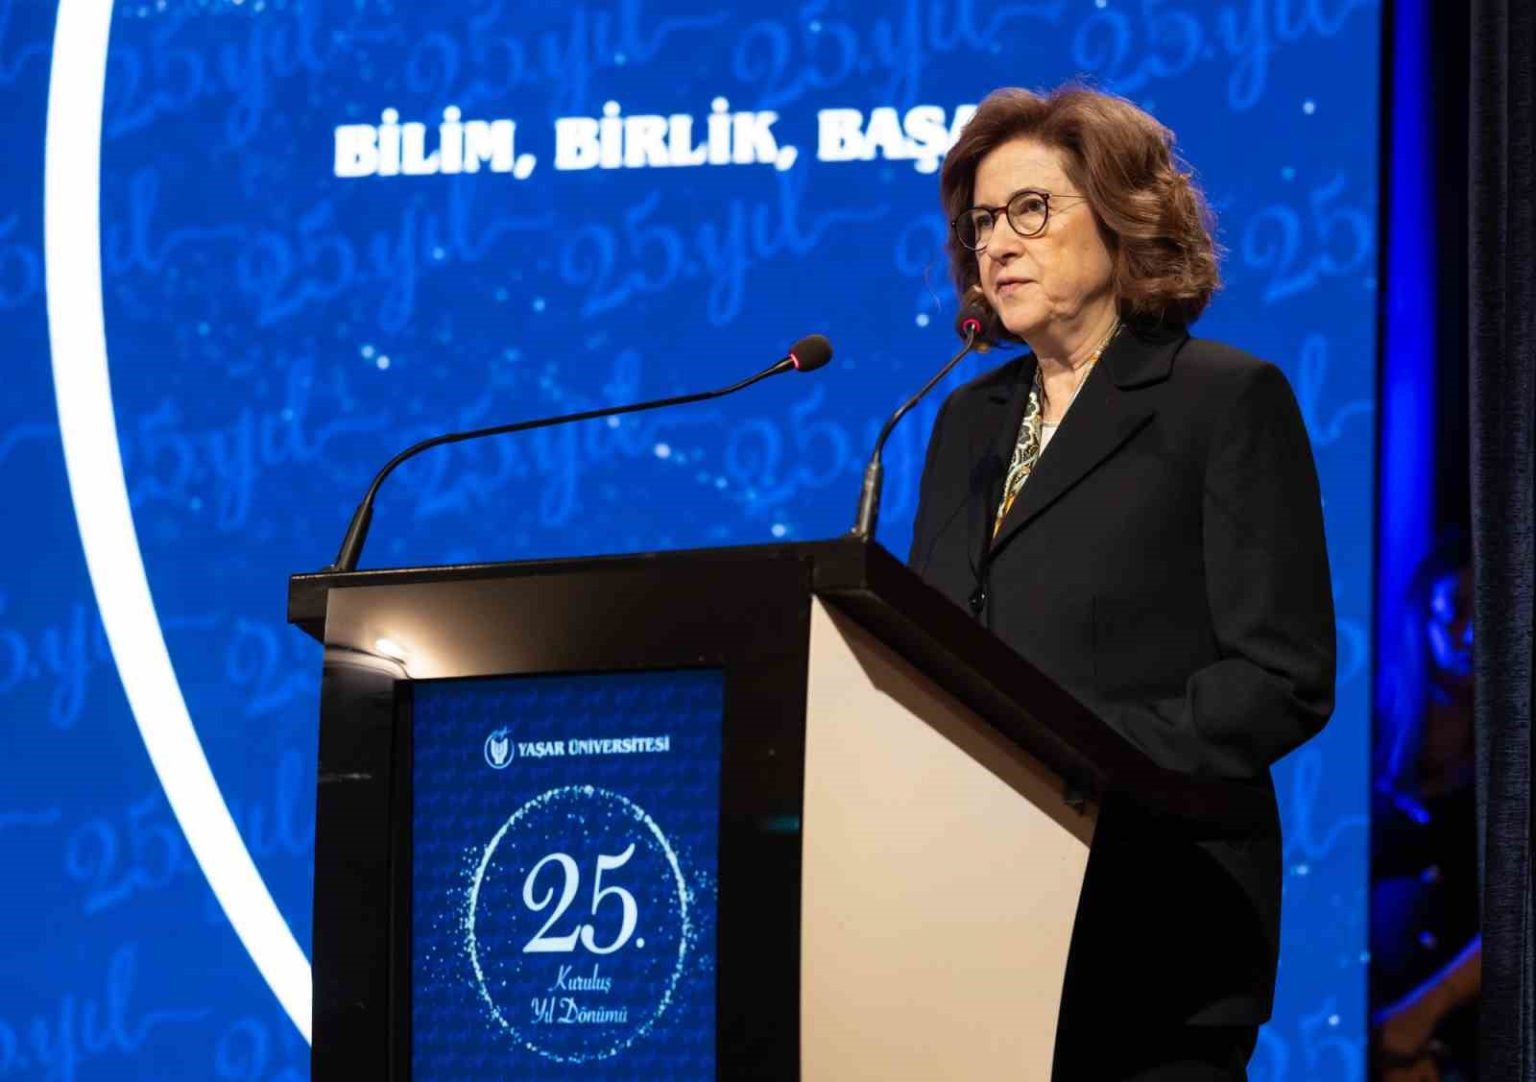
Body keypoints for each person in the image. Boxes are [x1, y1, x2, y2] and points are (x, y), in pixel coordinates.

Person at [909, 86, 1336, 1080]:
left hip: (1156, 928)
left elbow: (1282, 676)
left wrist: (1077, 759)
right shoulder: (965, 422)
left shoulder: (1221, 400)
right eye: (981, 221)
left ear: (1121, 216)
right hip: (976, 926)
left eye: (1029, 210)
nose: (996, 244)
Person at [1372, 534, 1480, 1081]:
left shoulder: (1509, 767)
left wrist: (1422, 1015)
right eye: (1456, 612)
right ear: (1422, 620)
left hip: (1469, 1032)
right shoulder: (1367, 744)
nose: (1472, 634)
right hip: (1363, 1024)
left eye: (1487, 614)